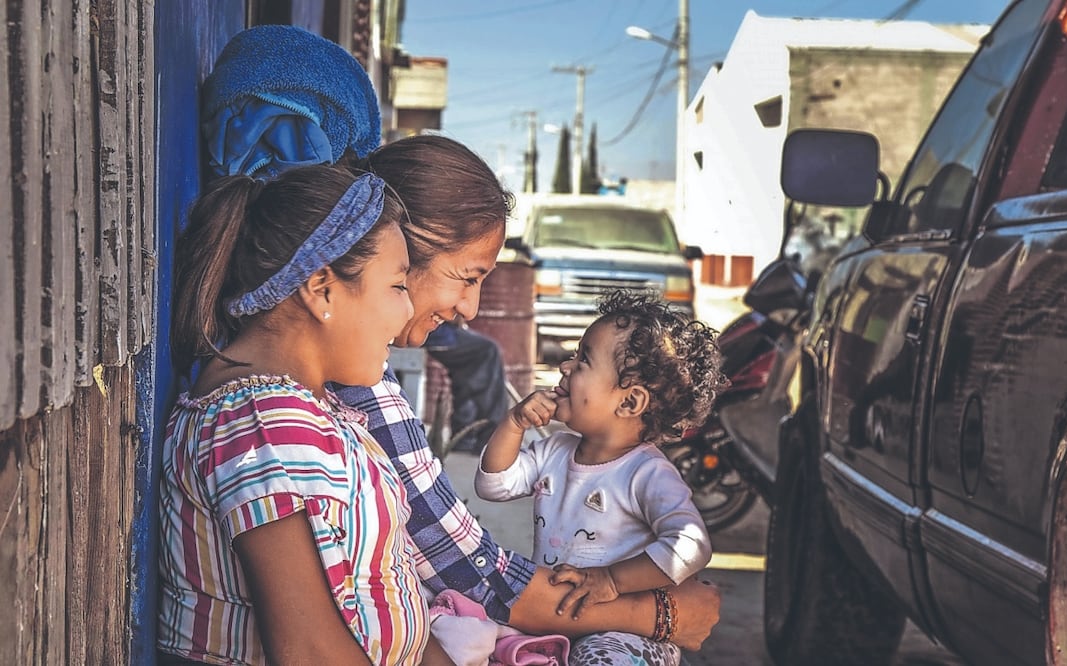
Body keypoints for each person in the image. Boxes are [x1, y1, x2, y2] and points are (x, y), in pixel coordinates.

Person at [199, 24, 723, 658]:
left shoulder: (320, 388)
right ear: (376, 260)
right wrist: (656, 615)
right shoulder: (287, 412)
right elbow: (462, 571)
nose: (472, 308)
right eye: (465, 277)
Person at [158, 164, 449, 665]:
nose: (407, 313)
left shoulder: (308, 410)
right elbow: (309, 651)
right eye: (398, 286)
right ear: (322, 289)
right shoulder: (261, 422)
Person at [475, 290, 726, 665]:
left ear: (628, 403)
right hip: (556, 623)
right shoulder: (553, 451)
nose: (565, 366)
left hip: (626, 636)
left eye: (583, 361)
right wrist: (515, 424)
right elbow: (493, 484)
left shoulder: (647, 473)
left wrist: (612, 580)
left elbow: (691, 546)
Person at [424, 319, 508, 453]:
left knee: (469, 370)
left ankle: (463, 436)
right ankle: (489, 437)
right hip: (434, 332)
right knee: (488, 350)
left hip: (439, 330)